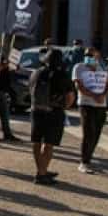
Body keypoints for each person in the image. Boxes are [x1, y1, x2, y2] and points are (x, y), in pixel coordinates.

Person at [30, 47, 75, 183]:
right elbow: (70, 96)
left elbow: (30, 89)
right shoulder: (62, 75)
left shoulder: (36, 73)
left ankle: (41, 170)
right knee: (49, 144)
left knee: (37, 141)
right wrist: (65, 106)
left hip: (36, 110)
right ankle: (41, 174)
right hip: (54, 112)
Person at [72, 46, 108, 174]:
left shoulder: (101, 68)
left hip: (101, 106)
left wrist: (103, 95)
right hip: (86, 104)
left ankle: (89, 159)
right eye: (87, 55)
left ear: (97, 56)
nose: (89, 57)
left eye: (91, 55)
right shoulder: (79, 67)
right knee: (88, 133)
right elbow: (79, 86)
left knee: (96, 134)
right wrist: (94, 96)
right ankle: (83, 162)